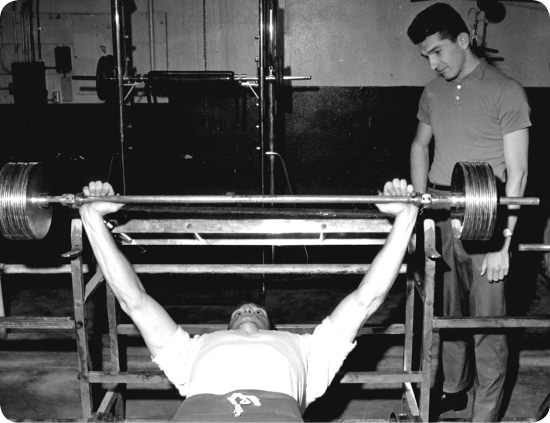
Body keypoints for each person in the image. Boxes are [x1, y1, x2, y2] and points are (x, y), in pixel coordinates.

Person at [79, 178, 418, 422]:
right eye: (243, 309)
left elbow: (365, 300)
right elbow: (133, 299)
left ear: (273, 326)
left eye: (257, 309)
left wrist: (405, 219)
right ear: (225, 325)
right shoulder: (191, 348)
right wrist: (92, 218)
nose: (250, 309)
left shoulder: (307, 348)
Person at [407, 3, 530, 422]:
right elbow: (419, 146)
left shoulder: (506, 90)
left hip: (487, 216)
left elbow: (518, 174)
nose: (433, 62)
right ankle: (455, 390)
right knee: (446, 315)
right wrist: (419, 208)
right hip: (441, 212)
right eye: (426, 55)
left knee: (489, 326)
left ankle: (486, 412)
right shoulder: (432, 92)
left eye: (438, 51)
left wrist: (505, 244)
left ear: (463, 40)